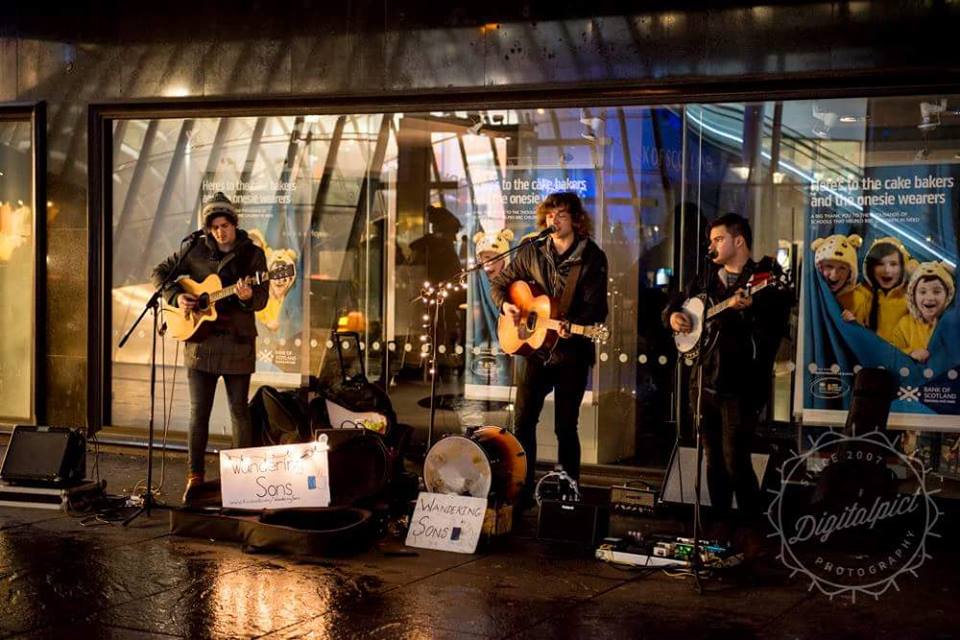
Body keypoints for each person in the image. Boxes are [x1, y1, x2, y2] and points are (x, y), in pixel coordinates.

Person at [664, 213, 792, 546]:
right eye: (711, 241)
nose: (712, 246)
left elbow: (775, 328)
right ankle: (718, 525)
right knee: (712, 458)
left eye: (718, 239)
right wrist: (673, 316)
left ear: (739, 241)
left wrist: (749, 311)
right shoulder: (707, 277)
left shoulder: (765, 278)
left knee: (736, 457)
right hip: (704, 378)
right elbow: (678, 304)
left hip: (741, 383)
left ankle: (752, 527)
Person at [490, 192, 608, 506]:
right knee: (523, 422)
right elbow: (500, 283)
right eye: (550, 215)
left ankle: (569, 492)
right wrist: (505, 305)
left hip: (571, 355)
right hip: (534, 352)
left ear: (577, 221)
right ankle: (522, 490)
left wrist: (575, 324)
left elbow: (597, 309)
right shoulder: (532, 249)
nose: (554, 221)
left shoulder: (592, 257)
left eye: (562, 215)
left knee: (565, 427)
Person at [152, 192, 268, 501]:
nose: (220, 232)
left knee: (239, 411)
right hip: (199, 342)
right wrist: (177, 297)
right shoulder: (195, 249)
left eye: (225, 225)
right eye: (214, 227)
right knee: (198, 413)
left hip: (238, 343)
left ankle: (242, 481)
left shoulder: (252, 254)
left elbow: (262, 298)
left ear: (234, 224)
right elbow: (160, 274)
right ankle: (195, 477)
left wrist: (247, 297)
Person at [891, 260, 955, 362]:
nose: (930, 297)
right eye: (922, 292)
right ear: (913, 296)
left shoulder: (953, 325)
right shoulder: (904, 325)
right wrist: (910, 354)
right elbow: (891, 354)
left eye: (936, 291)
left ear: (948, 296)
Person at [857, 236, 916, 342]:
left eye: (893, 264)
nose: (886, 270)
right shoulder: (862, 294)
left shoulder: (911, 299)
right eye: (880, 264)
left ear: (904, 267)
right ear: (871, 268)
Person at [810, 232, 869, 324]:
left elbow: (862, 330)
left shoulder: (858, 300)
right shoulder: (813, 295)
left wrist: (853, 323)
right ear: (820, 268)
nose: (834, 275)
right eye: (829, 266)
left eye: (842, 268)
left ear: (850, 272)